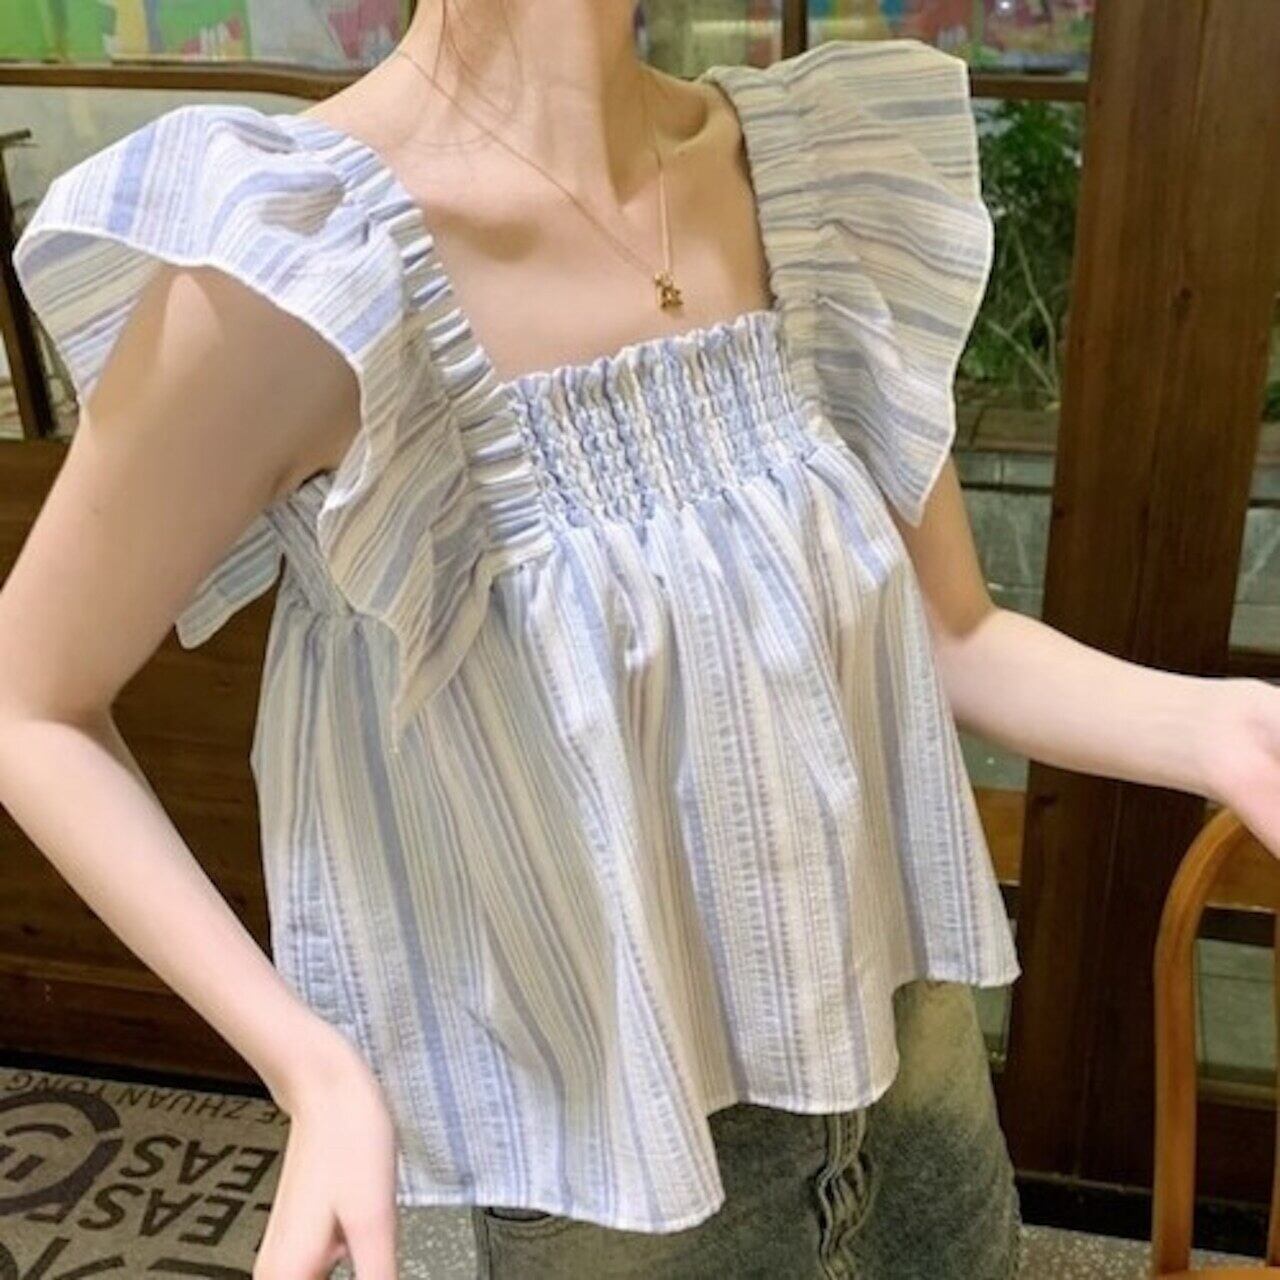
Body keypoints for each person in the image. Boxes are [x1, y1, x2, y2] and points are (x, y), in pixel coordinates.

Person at [1, 2, 1276, 1278]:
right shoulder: (300, 260)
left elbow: (956, 634)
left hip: (909, 1064)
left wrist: (1220, 725)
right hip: (616, 1179)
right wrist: (306, 1061)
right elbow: (29, 703)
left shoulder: (802, 174)